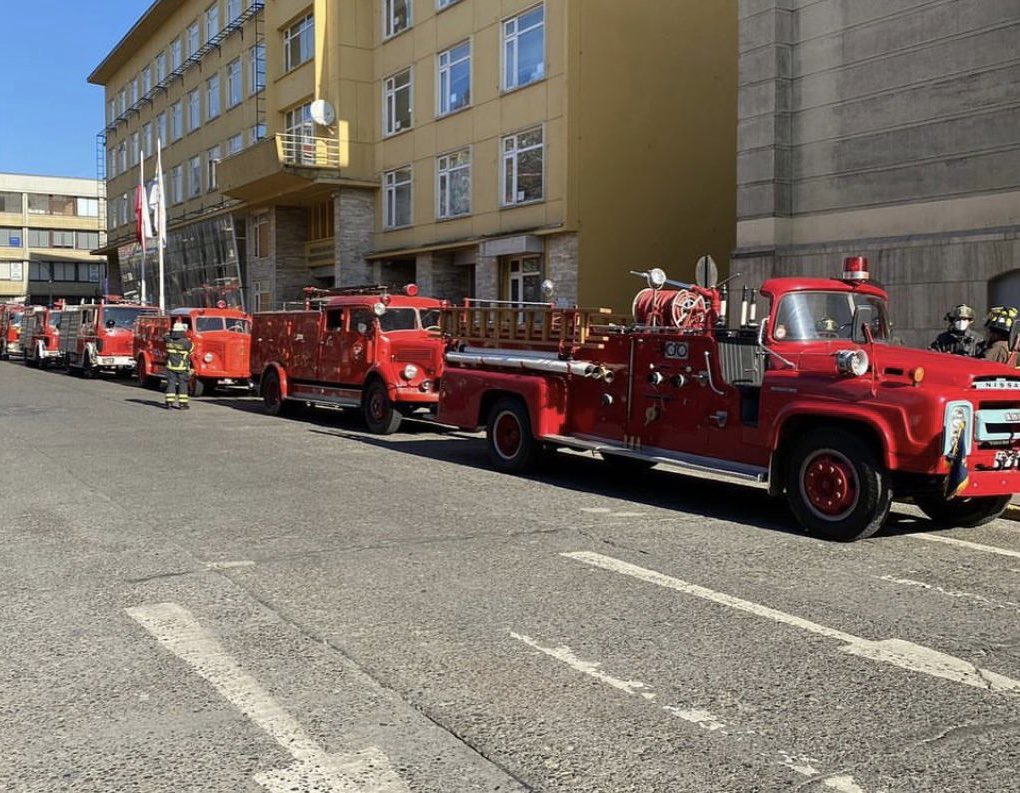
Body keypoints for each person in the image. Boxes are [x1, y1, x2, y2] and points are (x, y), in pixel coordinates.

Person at [163, 321, 194, 409]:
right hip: (182, 368)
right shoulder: (186, 342)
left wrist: (170, 332)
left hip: (170, 367)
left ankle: (169, 403)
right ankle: (183, 404)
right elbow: (192, 349)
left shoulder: (169, 340)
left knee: (171, 384)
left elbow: (164, 336)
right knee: (183, 385)